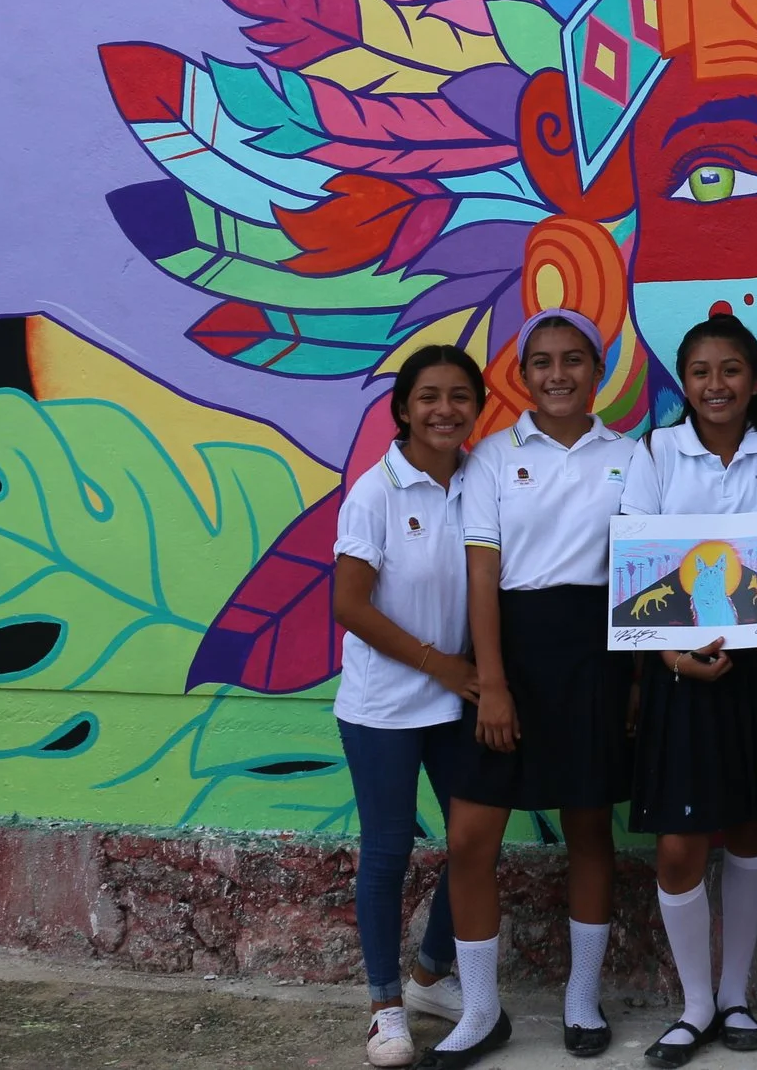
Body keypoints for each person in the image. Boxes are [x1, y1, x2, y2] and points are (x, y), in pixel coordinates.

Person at [427, 309, 638, 1070]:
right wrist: (491, 683)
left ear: (597, 368)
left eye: (573, 359)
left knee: (588, 828)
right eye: (541, 360)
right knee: (470, 837)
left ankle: (583, 998)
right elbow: (483, 573)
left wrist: (639, 680)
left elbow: (642, 570)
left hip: (594, 655)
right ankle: (482, 1009)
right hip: (508, 651)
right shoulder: (489, 457)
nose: (557, 374)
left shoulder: (631, 454)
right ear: (521, 374)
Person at [621, 314, 757, 1067]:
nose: (716, 384)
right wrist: (668, 655)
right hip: (681, 673)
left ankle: (734, 996)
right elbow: (635, 559)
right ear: (683, 383)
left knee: (751, 829)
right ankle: (694, 1004)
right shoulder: (657, 452)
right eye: (700, 371)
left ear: (755, 380)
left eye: (731, 369)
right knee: (677, 847)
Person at [333, 345, 488, 1068]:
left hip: (459, 701)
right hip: (385, 705)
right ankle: (386, 1007)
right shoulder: (376, 491)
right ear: (403, 407)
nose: (445, 409)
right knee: (388, 852)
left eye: (460, 395)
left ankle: (430, 973)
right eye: (429, 396)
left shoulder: (482, 478)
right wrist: (443, 665)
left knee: (472, 843)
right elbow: (350, 605)